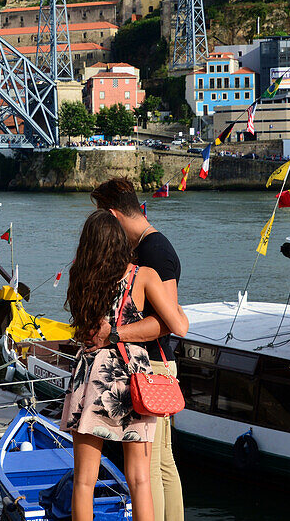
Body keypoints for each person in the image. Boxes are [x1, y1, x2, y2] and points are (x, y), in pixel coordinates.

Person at [62, 210, 189, 521]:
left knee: (83, 480)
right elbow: (177, 324)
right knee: (140, 479)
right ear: (120, 240)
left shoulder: (79, 276)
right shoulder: (142, 276)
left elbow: (82, 329)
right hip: (132, 376)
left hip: (91, 374)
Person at [90, 177, 185, 521]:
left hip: (155, 366)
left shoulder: (153, 251)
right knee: (161, 463)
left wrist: (115, 334)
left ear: (113, 216)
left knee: (149, 467)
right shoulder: (148, 247)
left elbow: (170, 320)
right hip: (156, 365)